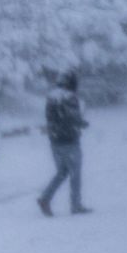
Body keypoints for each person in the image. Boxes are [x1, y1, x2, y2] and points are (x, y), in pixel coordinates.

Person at [38, 71, 90, 216]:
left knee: (62, 172)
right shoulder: (70, 97)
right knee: (75, 174)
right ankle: (76, 205)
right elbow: (72, 118)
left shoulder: (51, 97)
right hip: (70, 140)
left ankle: (45, 198)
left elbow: (53, 118)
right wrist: (82, 123)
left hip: (55, 141)